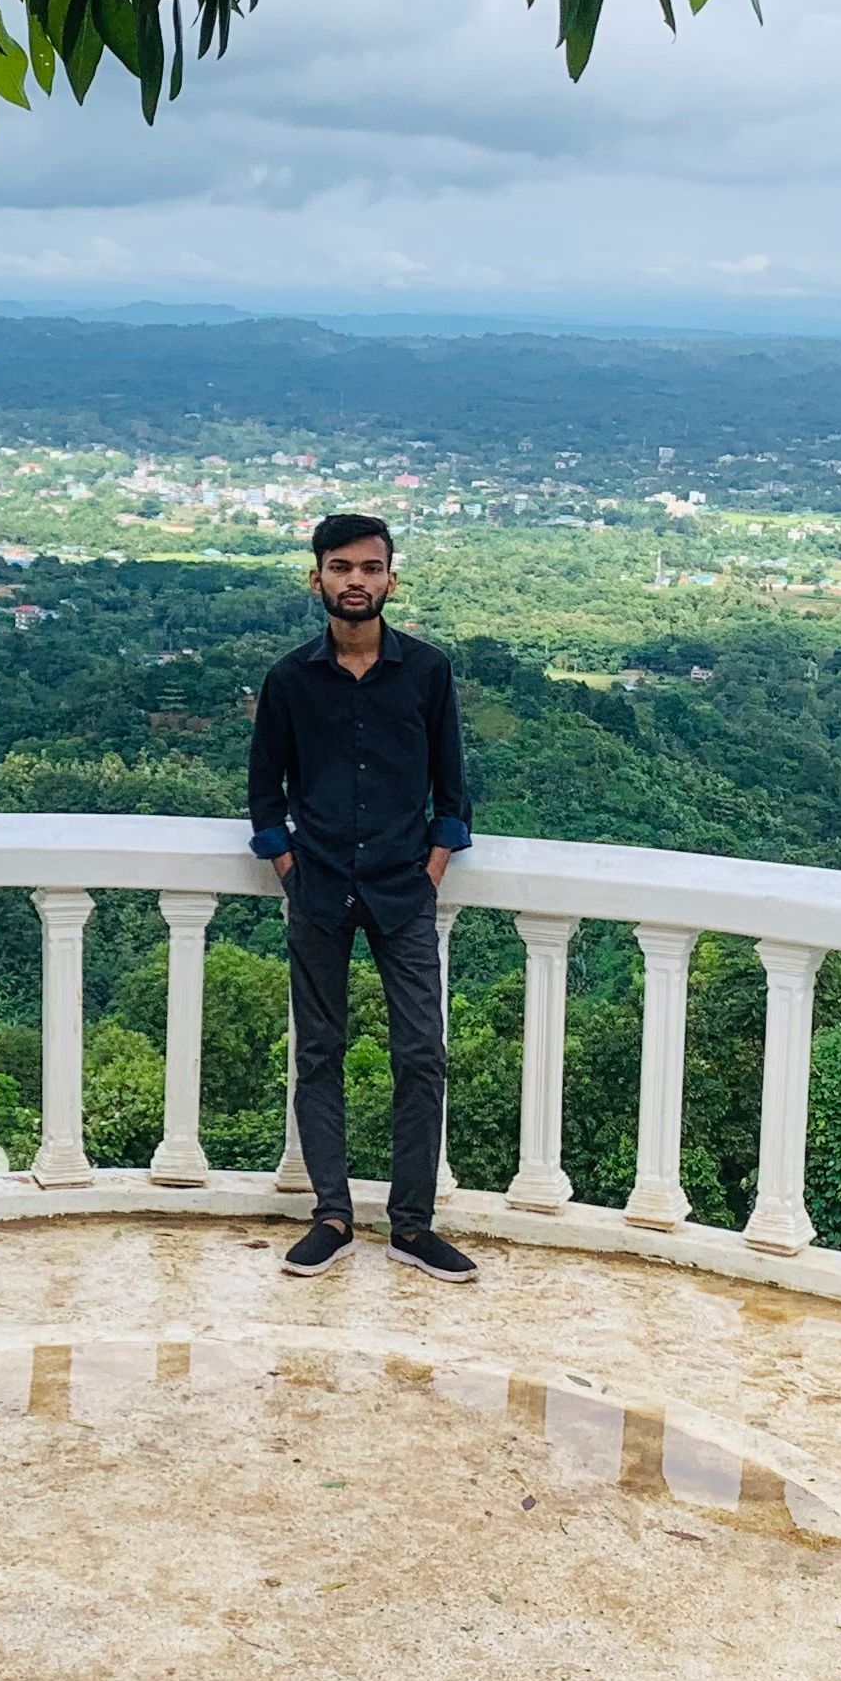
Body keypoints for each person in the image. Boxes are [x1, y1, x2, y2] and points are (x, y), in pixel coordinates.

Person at [246, 513, 478, 1278]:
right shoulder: (289, 679)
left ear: (390, 579)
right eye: (341, 567)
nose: (356, 581)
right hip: (318, 893)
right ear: (317, 578)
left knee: (420, 1054)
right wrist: (290, 872)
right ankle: (333, 1215)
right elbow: (263, 798)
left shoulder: (427, 672)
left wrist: (431, 872)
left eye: (371, 568)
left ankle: (411, 1225)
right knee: (320, 1053)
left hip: (402, 892)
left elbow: (453, 795)